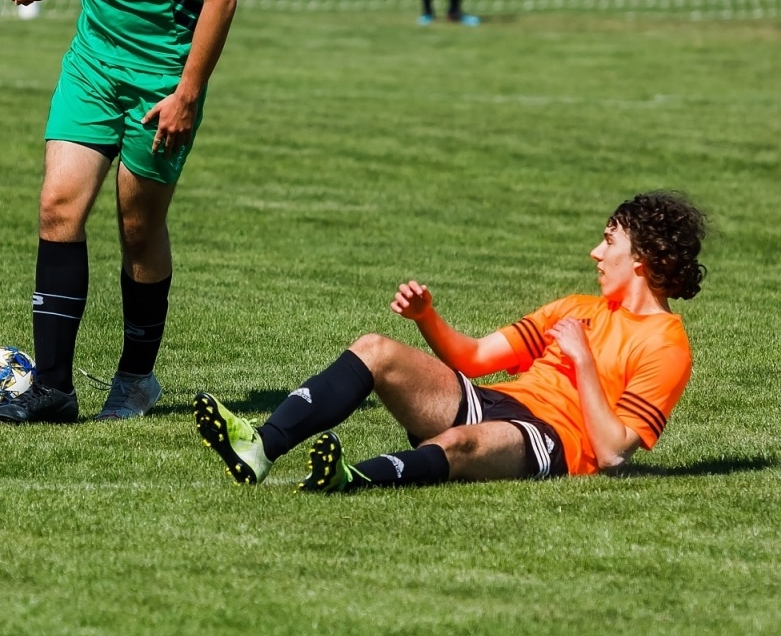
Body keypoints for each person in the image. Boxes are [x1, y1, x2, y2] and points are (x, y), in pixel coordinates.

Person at [0, 0, 238, 425]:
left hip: (161, 80)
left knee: (137, 225)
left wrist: (187, 93)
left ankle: (134, 379)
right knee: (57, 207)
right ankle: (52, 389)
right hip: (91, 66)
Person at [193, 192, 707, 490]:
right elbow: (476, 358)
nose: (596, 252)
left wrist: (583, 361)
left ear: (642, 257)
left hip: (557, 441)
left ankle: (352, 479)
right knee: (375, 348)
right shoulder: (577, 308)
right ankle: (262, 446)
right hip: (502, 402)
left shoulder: (667, 345)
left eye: (609, 241)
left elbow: (615, 454)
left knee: (461, 444)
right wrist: (426, 317)